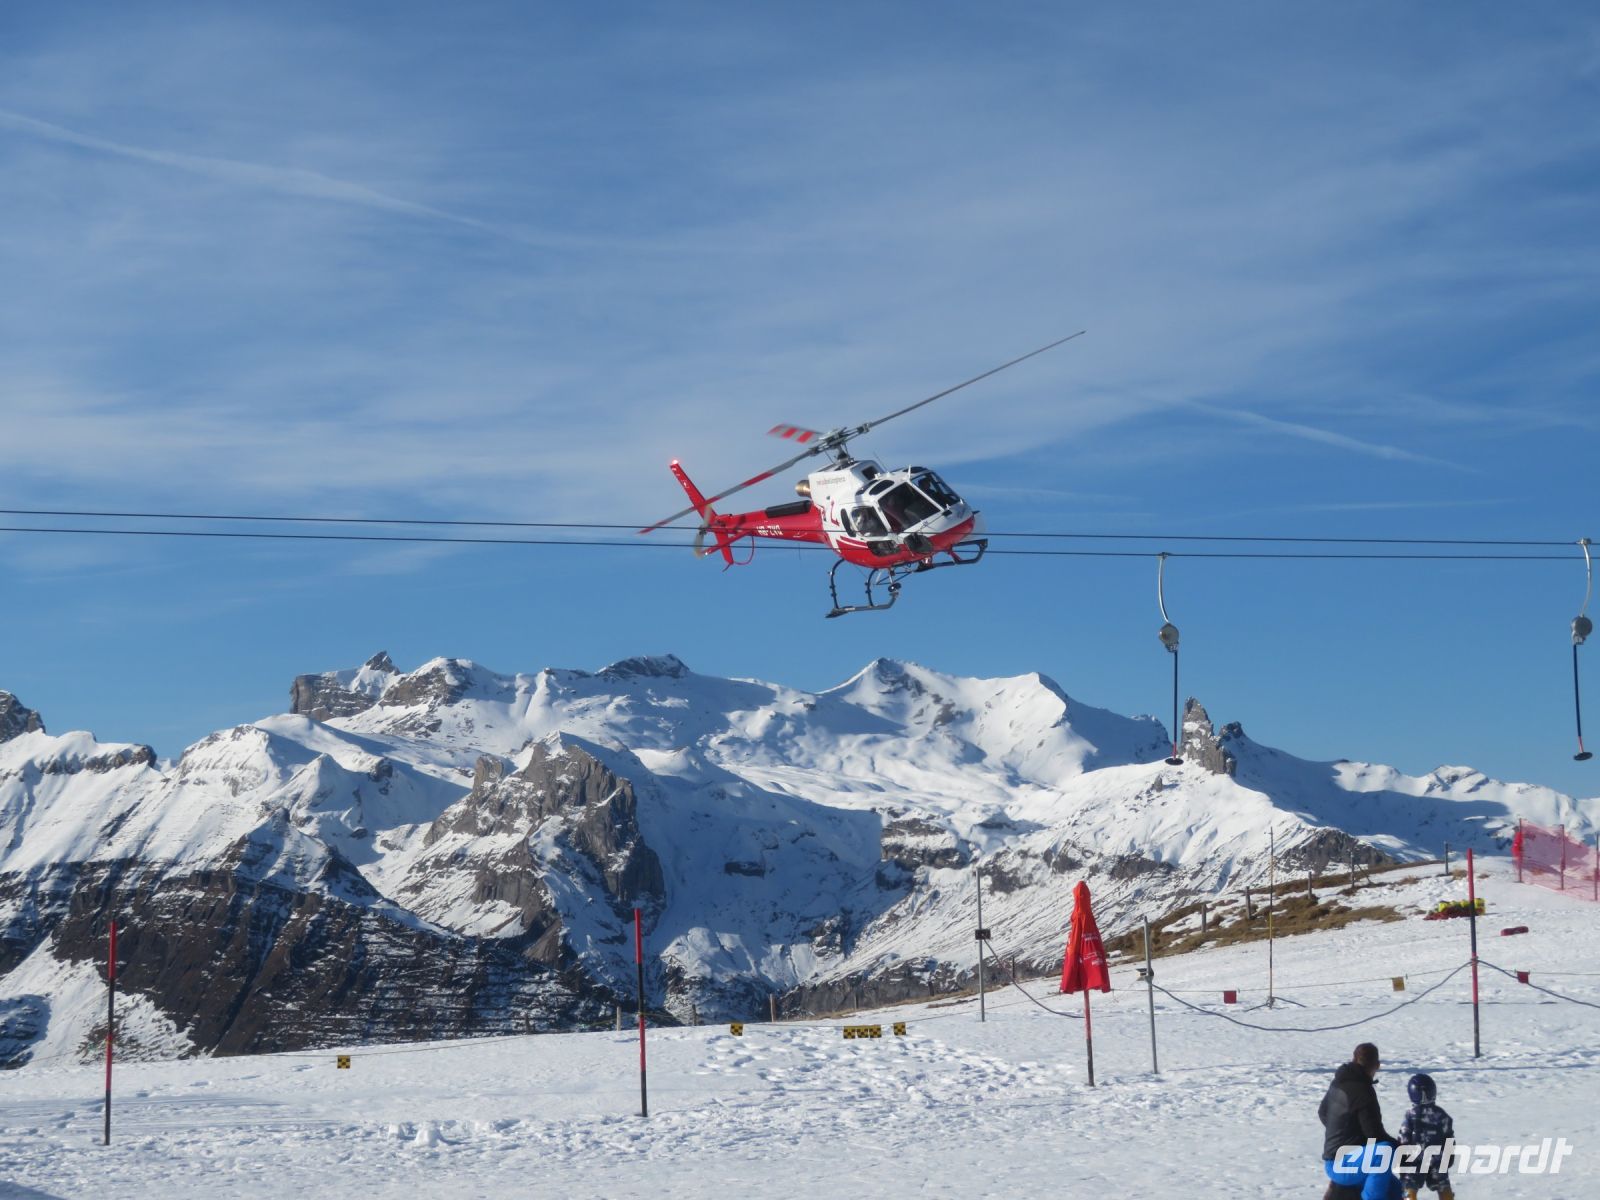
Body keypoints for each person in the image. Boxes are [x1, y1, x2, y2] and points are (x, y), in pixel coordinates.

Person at [1319, 1043, 1402, 1199]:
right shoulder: (1363, 1091)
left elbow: (1323, 1113)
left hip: (1335, 1162)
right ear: (1377, 1065)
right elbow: (1375, 1134)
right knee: (1384, 1151)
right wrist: (1402, 1149)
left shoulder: (1339, 1081)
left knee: (1395, 1189)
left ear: (1354, 1058)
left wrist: (1346, 1136)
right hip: (1343, 1165)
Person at [1397, 1073, 1455, 1199]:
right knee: (1442, 1184)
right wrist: (1449, 1157)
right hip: (1438, 1160)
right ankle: (1447, 1196)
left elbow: (1404, 1138)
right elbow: (1449, 1138)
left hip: (1415, 1160)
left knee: (1409, 1184)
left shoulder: (1411, 1115)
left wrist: (1402, 1159)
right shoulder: (1442, 1115)